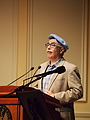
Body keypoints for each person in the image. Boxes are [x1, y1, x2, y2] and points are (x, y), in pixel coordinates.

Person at [32, 34, 83, 120]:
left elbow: (77, 92)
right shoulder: (41, 67)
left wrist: (55, 97)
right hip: (40, 114)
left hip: (60, 115)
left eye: (53, 45)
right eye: (47, 45)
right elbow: (33, 87)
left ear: (61, 50)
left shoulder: (70, 68)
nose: (48, 47)